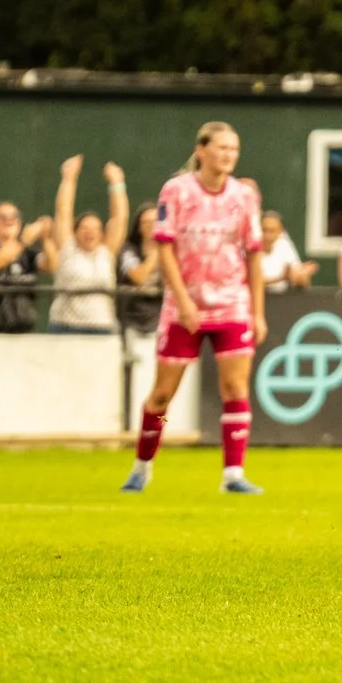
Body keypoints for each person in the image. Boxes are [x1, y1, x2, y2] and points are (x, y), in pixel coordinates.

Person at [124, 121, 269, 495]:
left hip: (230, 303)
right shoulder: (177, 190)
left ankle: (233, 475)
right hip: (183, 307)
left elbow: (254, 255)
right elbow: (165, 247)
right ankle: (142, 466)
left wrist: (257, 310)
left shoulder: (243, 196)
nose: (228, 156)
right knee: (162, 394)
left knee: (235, 386)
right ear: (201, 150)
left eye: (234, 149)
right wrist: (184, 300)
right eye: (221, 148)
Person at [47, 157, 129, 334]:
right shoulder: (68, 250)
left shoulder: (106, 253)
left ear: (102, 234)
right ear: (75, 232)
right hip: (65, 327)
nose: (89, 232)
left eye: (95, 228)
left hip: (102, 327)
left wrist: (117, 183)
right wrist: (69, 179)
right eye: (84, 228)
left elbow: (119, 219)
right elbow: (63, 213)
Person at [0, 200, 50, 333]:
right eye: (3, 217)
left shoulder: (27, 252)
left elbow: (51, 265)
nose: (9, 221)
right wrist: (24, 240)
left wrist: (46, 238)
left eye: (14, 217)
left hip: (23, 326)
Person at [118, 204, 164, 338]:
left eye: (155, 221)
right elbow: (139, 277)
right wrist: (157, 252)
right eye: (146, 222)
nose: (151, 226)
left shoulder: (171, 251)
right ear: (139, 227)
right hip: (133, 323)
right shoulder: (128, 250)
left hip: (162, 321)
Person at [258, 210, 318, 291]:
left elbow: (302, 281)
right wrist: (282, 277)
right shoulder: (250, 247)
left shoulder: (284, 244)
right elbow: (251, 282)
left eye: (272, 231)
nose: (267, 235)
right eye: (264, 230)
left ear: (280, 232)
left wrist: (301, 275)